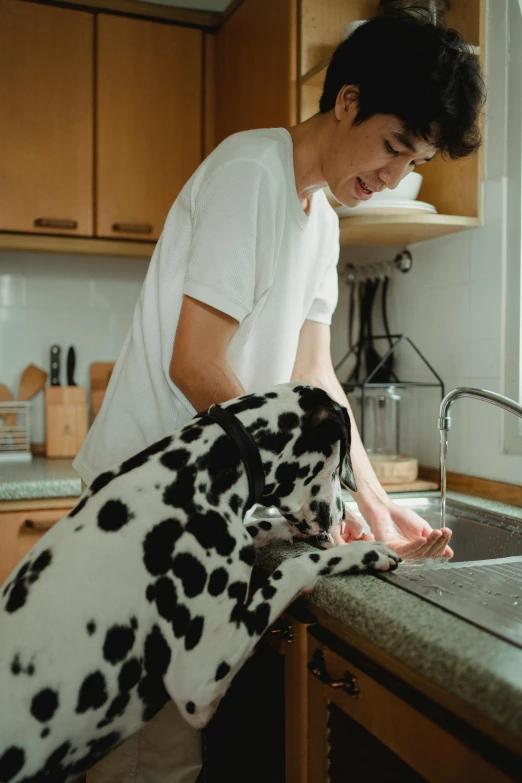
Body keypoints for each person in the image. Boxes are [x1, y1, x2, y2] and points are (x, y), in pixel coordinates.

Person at [73, 8, 485, 782]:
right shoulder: (251, 172)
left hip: (197, 515)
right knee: (140, 759)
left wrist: (370, 499)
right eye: (394, 146)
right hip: (140, 512)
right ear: (347, 101)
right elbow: (195, 362)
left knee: (168, 753)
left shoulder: (321, 218)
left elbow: (316, 381)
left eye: (415, 160)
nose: (395, 176)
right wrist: (310, 497)